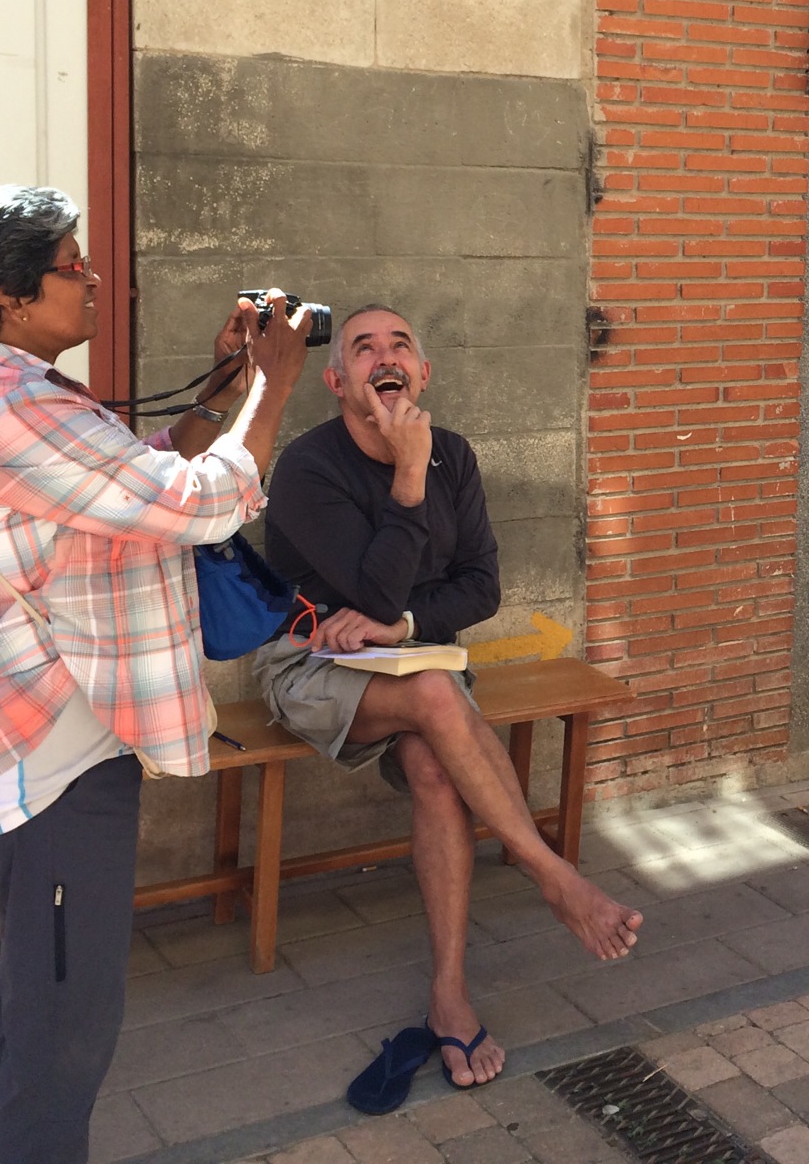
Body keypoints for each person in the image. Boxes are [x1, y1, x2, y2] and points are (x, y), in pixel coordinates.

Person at [0, 185, 310, 1163]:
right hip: (55, 761)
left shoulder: (4, 394)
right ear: (9, 295)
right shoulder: (7, 409)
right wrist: (274, 385)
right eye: (71, 264)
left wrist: (221, 387)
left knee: (39, 1000)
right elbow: (199, 505)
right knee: (65, 1035)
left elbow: (130, 476)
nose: (94, 278)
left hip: (41, 745)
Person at [254, 304, 642, 1089]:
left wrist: (400, 625)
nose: (385, 357)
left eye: (400, 346)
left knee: (435, 765)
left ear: (423, 375)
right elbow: (370, 587)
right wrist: (407, 473)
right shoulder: (307, 468)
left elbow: (481, 587)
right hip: (310, 660)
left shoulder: (454, 457)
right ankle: (550, 874)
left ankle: (450, 995)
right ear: (337, 382)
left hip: (412, 654)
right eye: (364, 348)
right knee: (435, 692)